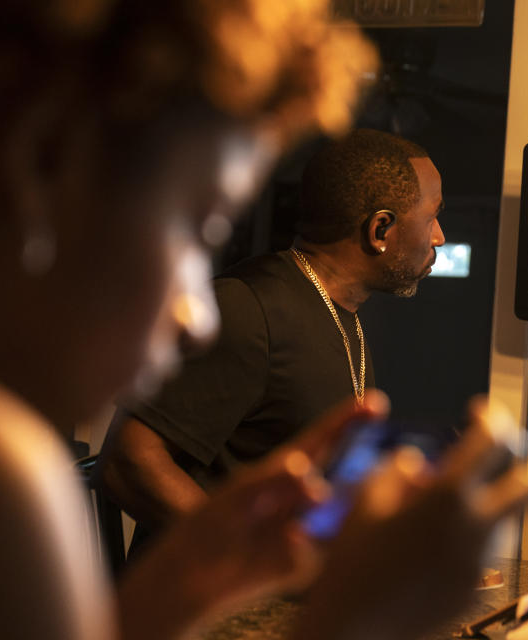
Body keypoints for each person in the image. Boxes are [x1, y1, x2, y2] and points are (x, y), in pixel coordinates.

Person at [0, 2, 528, 640]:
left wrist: (224, 553)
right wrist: (359, 619)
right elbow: (131, 460)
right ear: (40, 169)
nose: (196, 317)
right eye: (197, 225)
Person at [98, 129, 446, 550]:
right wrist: (246, 557)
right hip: (211, 608)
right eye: (432, 217)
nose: (439, 236)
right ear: (380, 230)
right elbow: (129, 460)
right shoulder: (248, 309)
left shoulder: (343, 316)